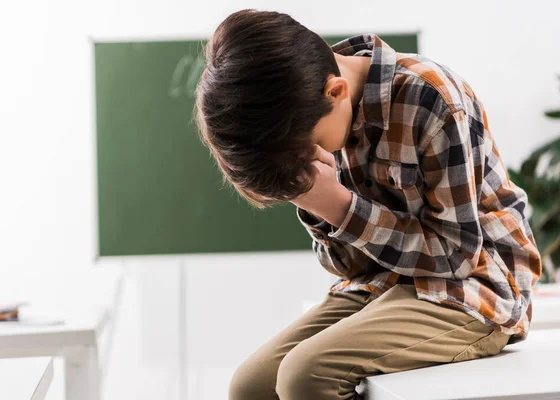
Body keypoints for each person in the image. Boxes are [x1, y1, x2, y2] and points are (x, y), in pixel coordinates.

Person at [194, 9, 542, 400]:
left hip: (477, 285)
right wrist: (323, 209)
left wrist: (342, 208)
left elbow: (458, 255)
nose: (315, 155)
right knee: (249, 387)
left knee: (304, 376)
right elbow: (348, 267)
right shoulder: (309, 109)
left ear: (336, 91)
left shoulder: (430, 98)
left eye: (314, 147)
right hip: (385, 281)